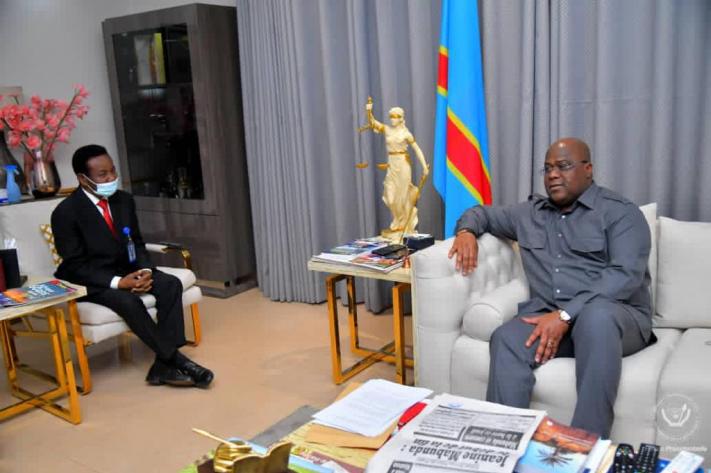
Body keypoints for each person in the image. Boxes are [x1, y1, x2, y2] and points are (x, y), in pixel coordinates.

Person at [448, 137, 652, 437]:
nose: (553, 174)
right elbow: (481, 214)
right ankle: (503, 441)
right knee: (506, 338)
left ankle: (583, 445)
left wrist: (566, 315)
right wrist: (466, 231)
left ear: (588, 169)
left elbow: (624, 276)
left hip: (617, 320)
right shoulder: (529, 215)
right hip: (551, 317)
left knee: (596, 318)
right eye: (547, 168)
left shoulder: (621, 213)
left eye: (563, 166)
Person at [52, 144, 214, 388]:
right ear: (83, 179)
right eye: (102, 175)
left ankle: (162, 367)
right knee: (129, 301)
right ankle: (178, 361)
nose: (111, 178)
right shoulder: (66, 213)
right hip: (90, 279)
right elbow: (75, 266)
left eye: (113, 171)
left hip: (127, 269)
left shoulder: (123, 201)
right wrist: (120, 283)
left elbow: (136, 242)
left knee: (170, 284)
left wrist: (145, 271)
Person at [363, 98, 429, 240]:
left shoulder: (406, 134)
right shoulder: (387, 130)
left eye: (395, 116)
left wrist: (424, 167)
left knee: (403, 197)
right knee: (391, 197)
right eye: (391, 116)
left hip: (403, 165)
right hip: (392, 164)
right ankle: (397, 221)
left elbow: (417, 149)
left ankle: (402, 225)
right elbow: (373, 123)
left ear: (401, 118)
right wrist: (369, 111)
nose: (392, 119)